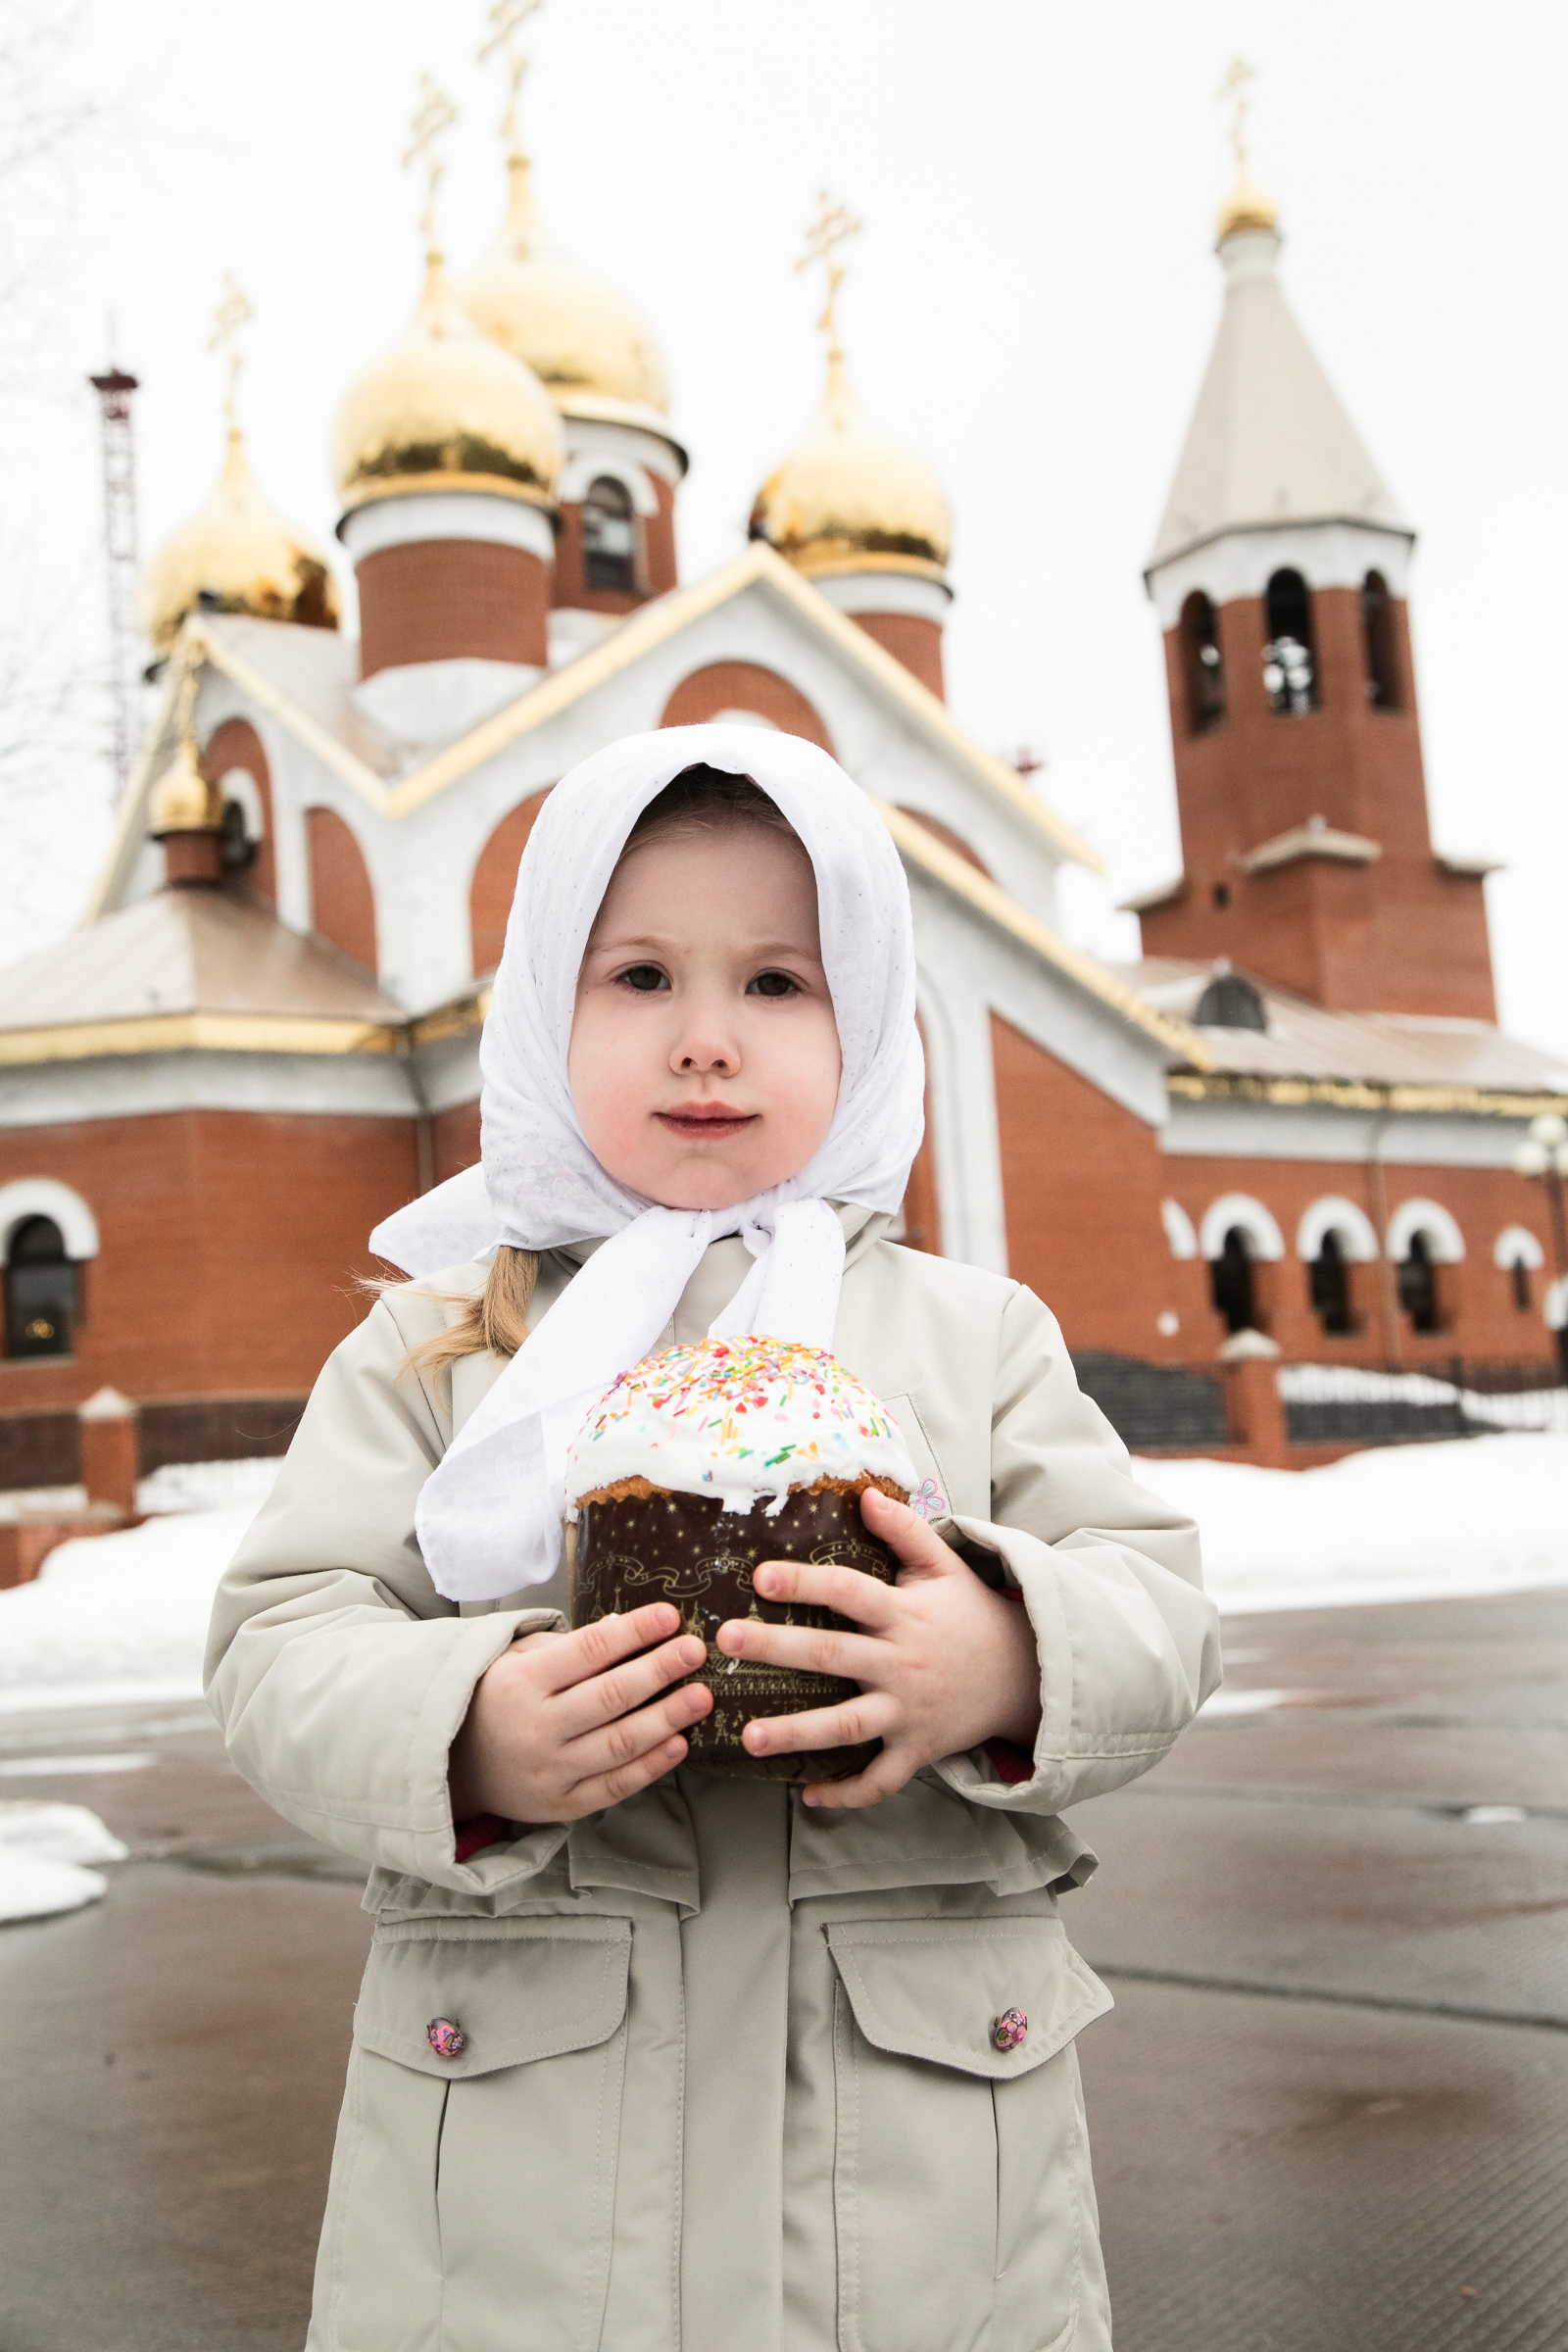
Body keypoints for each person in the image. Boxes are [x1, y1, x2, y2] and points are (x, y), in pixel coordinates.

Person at [206, 723, 1220, 2352]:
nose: (704, 1041)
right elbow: (280, 1638)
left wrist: (1005, 1656)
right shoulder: (442, 1344)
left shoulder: (973, 1336)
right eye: (638, 977)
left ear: (865, 1019)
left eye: (775, 983)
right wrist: (466, 1732)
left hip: (910, 2184)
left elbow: (1156, 1603)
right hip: (531, 2189)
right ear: (541, 1011)